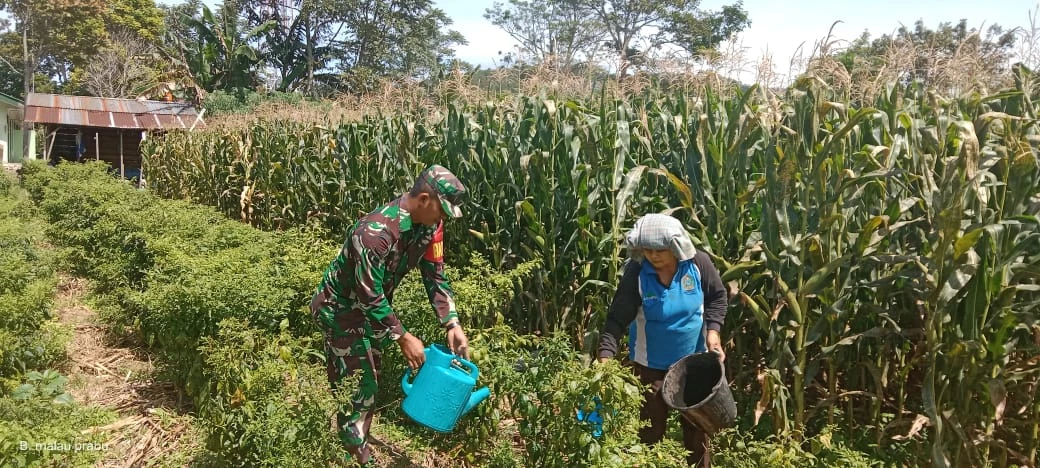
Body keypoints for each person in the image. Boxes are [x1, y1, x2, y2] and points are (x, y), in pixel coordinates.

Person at [310, 164, 472, 466]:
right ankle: (358, 457)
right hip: (341, 309)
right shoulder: (374, 233)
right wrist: (402, 336)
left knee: (372, 376)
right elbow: (368, 292)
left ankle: (356, 438)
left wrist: (452, 322)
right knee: (360, 385)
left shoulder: (430, 227)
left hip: (373, 310)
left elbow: (435, 275)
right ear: (424, 199)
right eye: (442, 211)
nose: (444, 219)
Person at [597, 213, 729, 467]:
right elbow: (616, 319)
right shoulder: (637, 273)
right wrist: (605, 357)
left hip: (694, 365)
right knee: (650, 431)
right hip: (651, 367)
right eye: (647, 249)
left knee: (697, 434)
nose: (654, 255)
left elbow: (717, 298)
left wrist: (713, 332)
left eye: (660, 250)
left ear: (675, 246)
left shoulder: (698, 264)